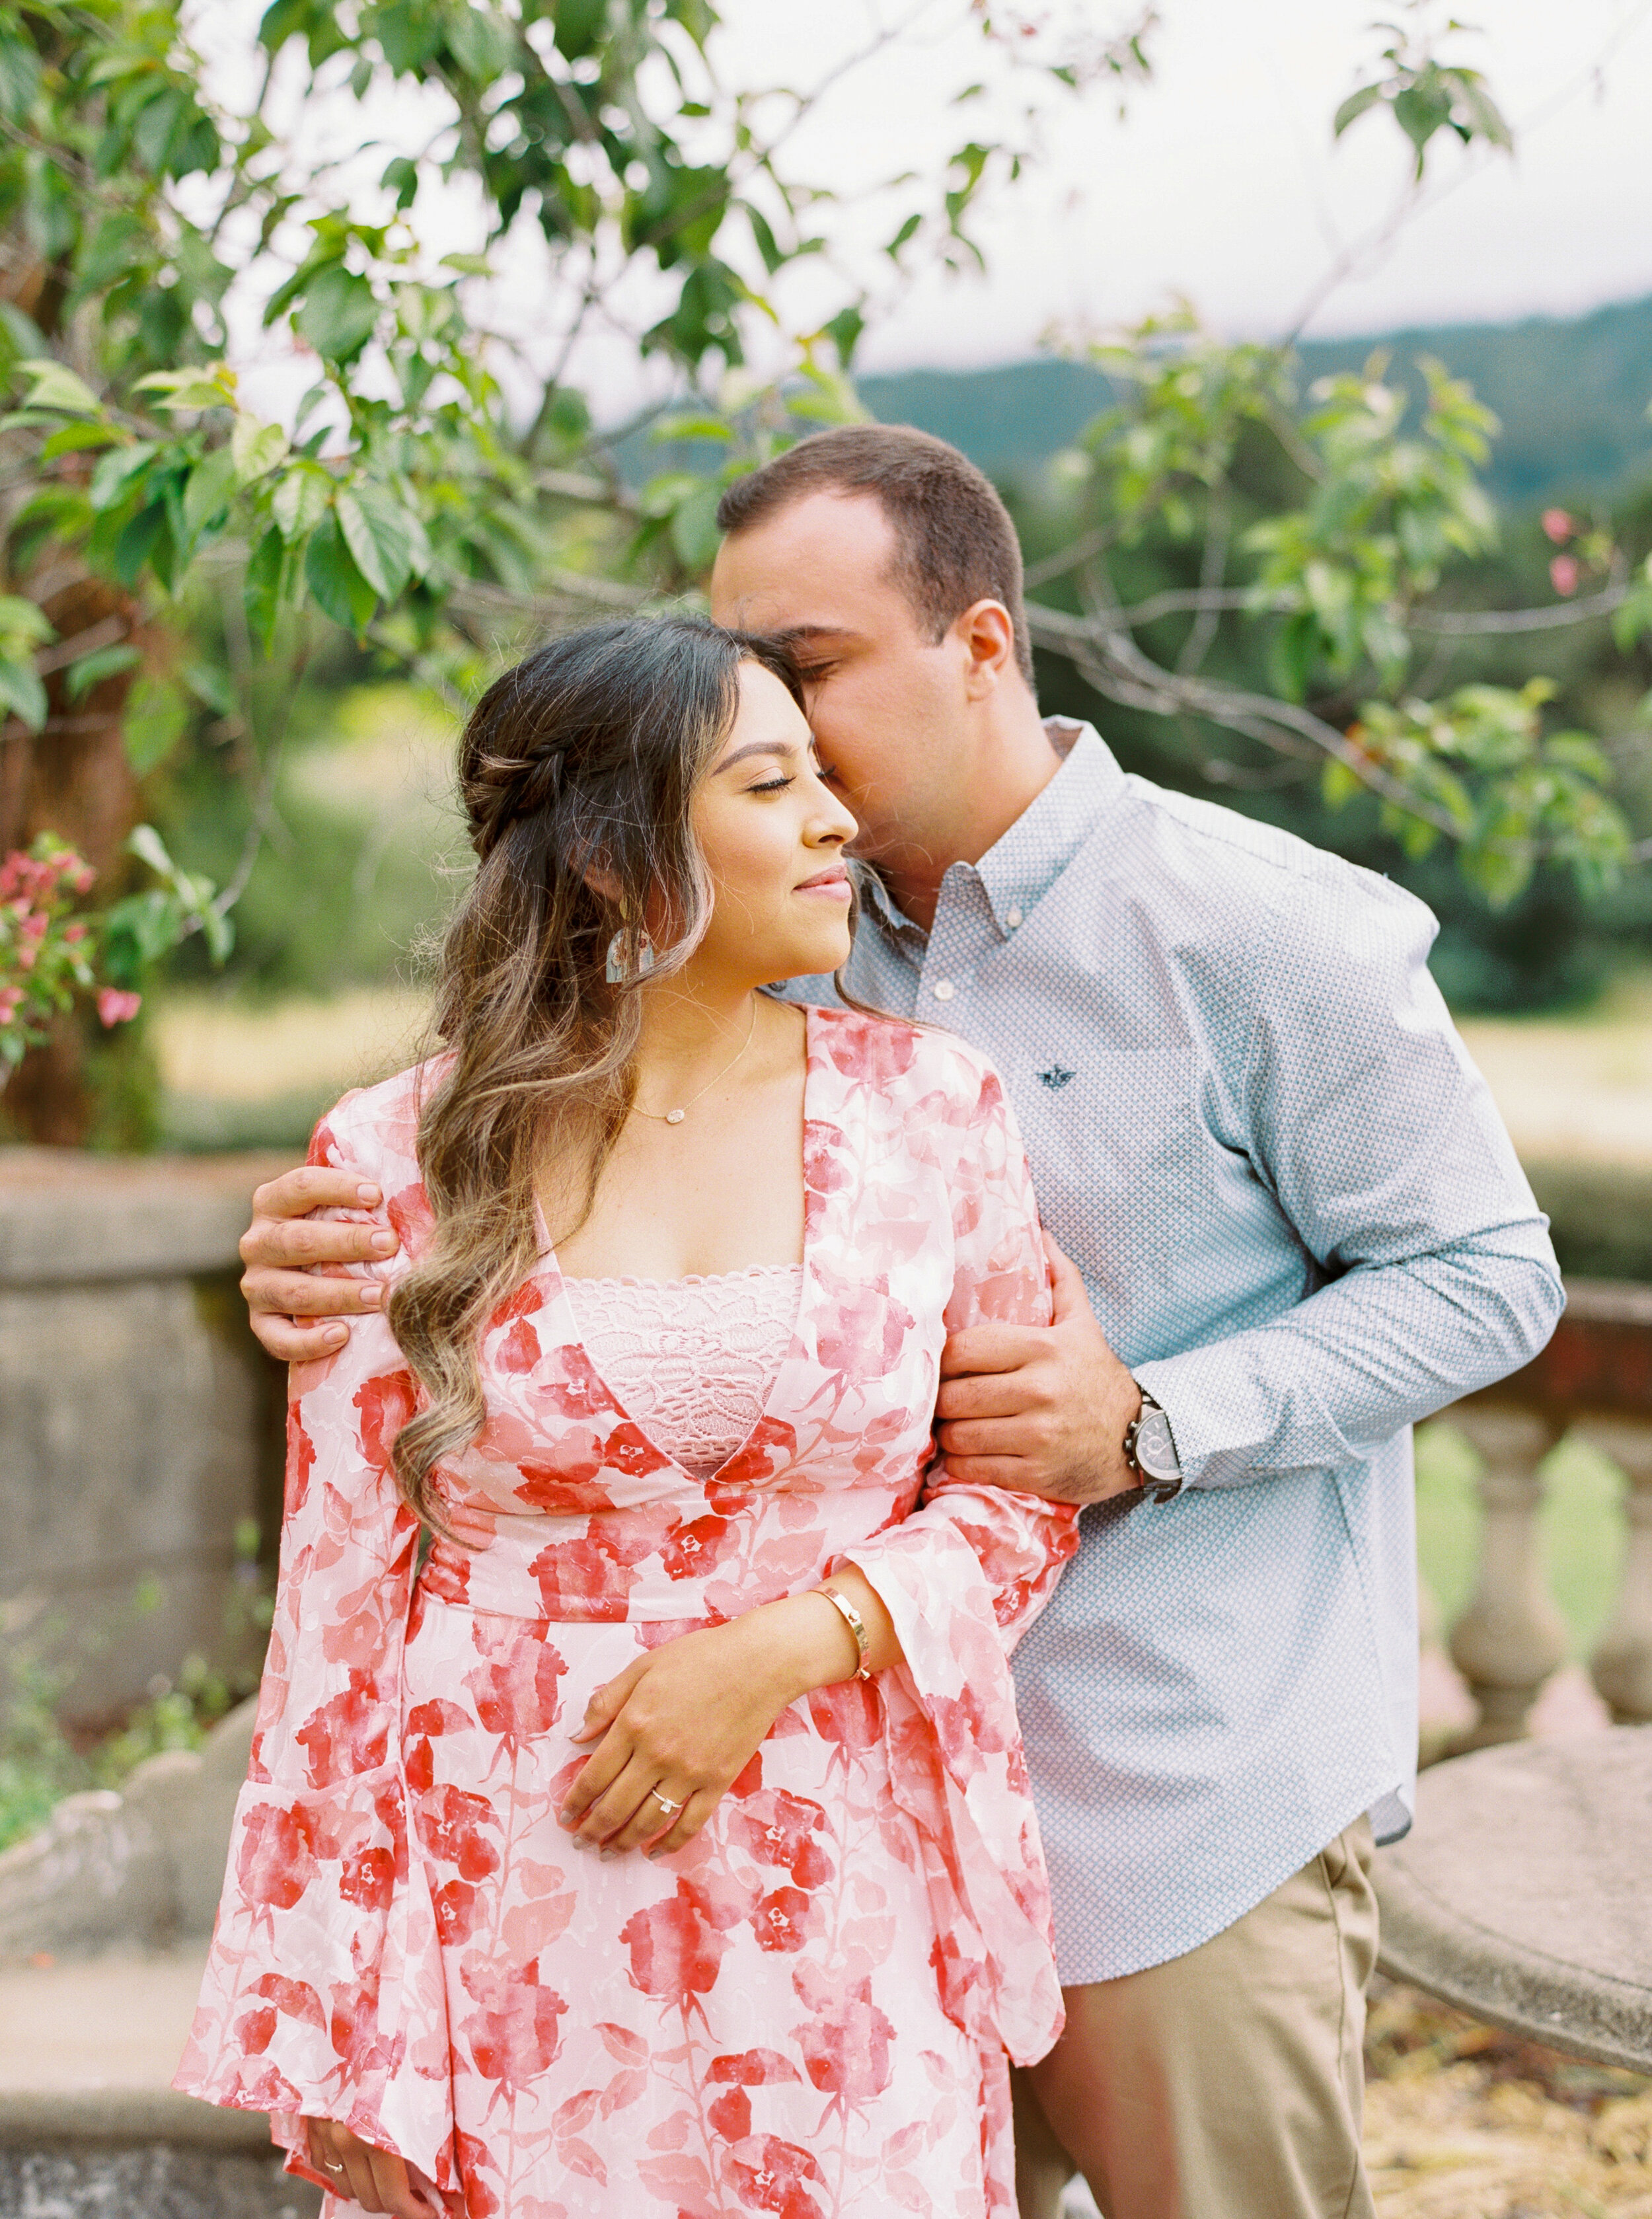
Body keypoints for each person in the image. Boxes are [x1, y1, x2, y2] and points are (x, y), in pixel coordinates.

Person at [236, 429, 1565, 2219]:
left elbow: (1490, 1274)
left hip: (1162, 1786)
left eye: (805, 671)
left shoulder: (1261, 929)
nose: (774, 734)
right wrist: (338, 1235)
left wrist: (1149, 1416)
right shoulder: (771, 934)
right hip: (806, 1837)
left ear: (984, 647)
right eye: (741, 688)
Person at [176, 614, 1080, 2219]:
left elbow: (1020, 1503)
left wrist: (790, 1644)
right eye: (766, 782)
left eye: (821, 777)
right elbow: (335, 1614)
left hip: (841, 1896)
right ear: (610, 857)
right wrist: (341, 2030)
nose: (832, 823)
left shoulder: (932, 1114)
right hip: (501, 1906)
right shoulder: (396, 1158)